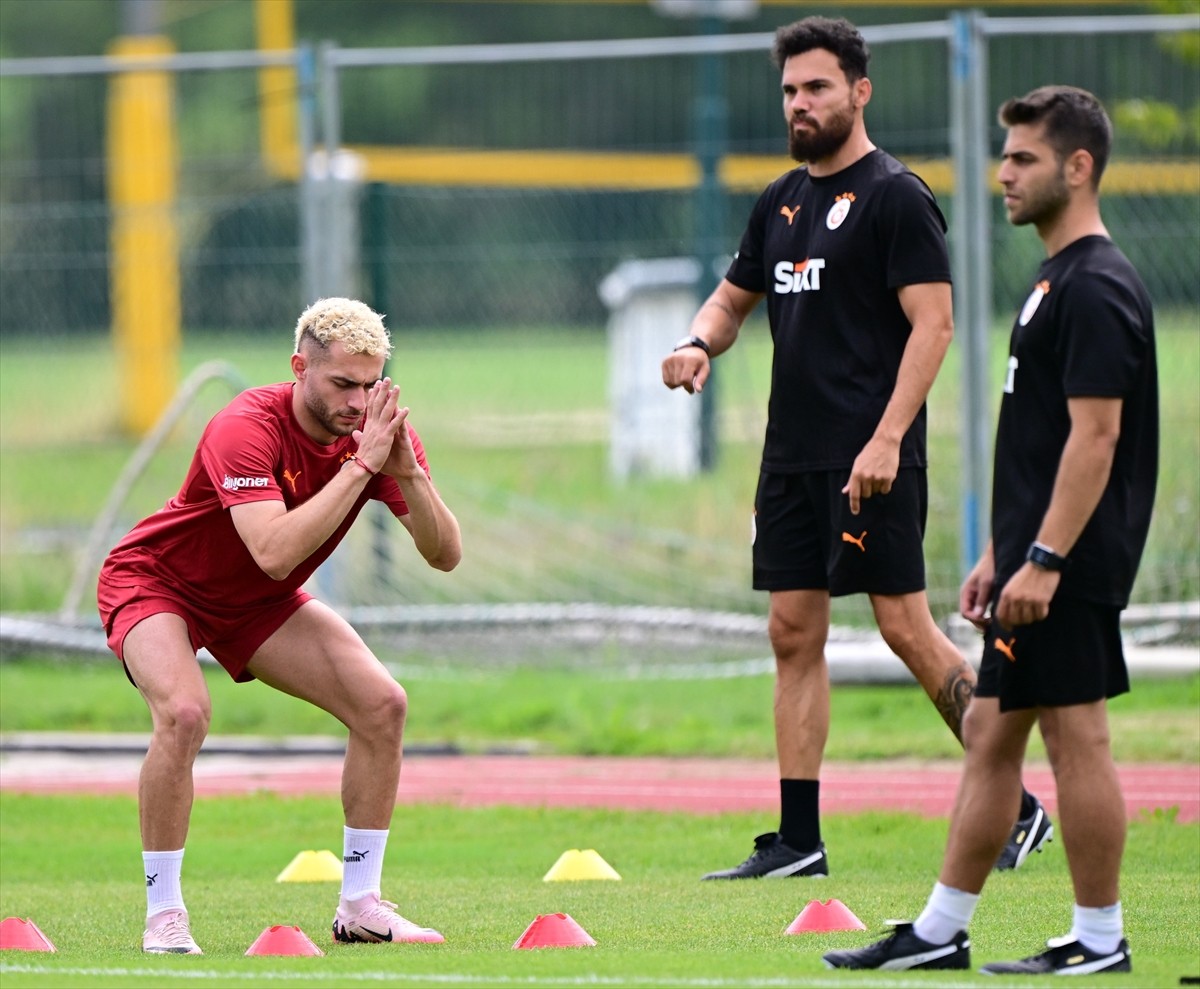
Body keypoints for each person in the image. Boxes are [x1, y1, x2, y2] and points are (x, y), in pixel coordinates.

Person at [661, 15, 1050, 881]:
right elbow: (730, 301)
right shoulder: (781, 202)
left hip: (871, 459)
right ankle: (800, 840)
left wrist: (885, 439)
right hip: (791, 459)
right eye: (792, 91)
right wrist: (697, 343)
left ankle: (1017, 806)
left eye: (818, 88)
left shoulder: (895, 197)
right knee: (792, 631)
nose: (801, 104)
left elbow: (935, 325)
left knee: (905, 626)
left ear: (859, 91)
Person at [824, 86, 1158, 975]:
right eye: (1003, 155)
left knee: (1075, 739)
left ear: (1078, 167)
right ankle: (939, 931)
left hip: (1070, 566)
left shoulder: (1095, 286)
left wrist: (1044, 558)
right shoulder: (1051, 281)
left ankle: (1099, 940)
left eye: (1023, 159)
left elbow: (1096, 438)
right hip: (1033, 561)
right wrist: (1001, 554)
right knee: (991, 738)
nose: (1002, 173)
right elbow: (1046, 445)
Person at [97, 298, 462, 954]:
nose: (358, 400)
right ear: (300, 368)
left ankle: (361, 905)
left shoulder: (376, 434)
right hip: (160, 583)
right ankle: (163, 914)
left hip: (258, 602)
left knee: (383, 705)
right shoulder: (245, 425)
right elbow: (272, 550)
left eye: (371, 382)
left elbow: (444, 555)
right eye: (342, 383)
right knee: (184, 714)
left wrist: (404, 470)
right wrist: (361, 467)